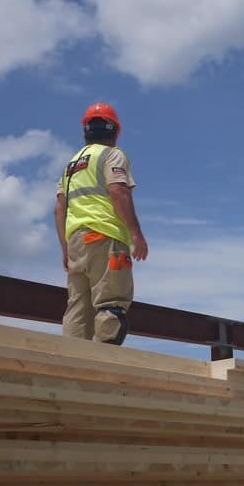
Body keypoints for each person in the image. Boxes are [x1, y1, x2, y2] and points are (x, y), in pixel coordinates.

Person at [54, 102, 148, 344]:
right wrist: (136, 234)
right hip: (104, 237)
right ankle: (106, 369)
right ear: (115, 131)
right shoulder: (112, 155)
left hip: (76, 242)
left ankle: (72, 365)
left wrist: (66, 249)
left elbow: (59, 209)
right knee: (111, 302)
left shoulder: (70, 166)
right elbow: (118, 191)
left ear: (86, 130)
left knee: (77, 309)